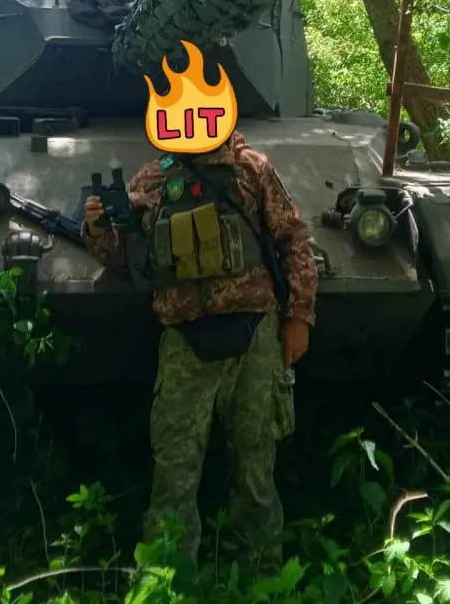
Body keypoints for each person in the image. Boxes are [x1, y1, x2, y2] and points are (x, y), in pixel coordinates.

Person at [83, 130, 318, 571]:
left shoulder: (252, 167)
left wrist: (299, 317)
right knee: (174, 472)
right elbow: (125, 258)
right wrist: (98, 227)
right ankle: (167, 583)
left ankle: (263, 580)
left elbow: (294, 239)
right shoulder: (152, 178)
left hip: (255, 335)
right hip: (186, 340)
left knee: (255, 470)